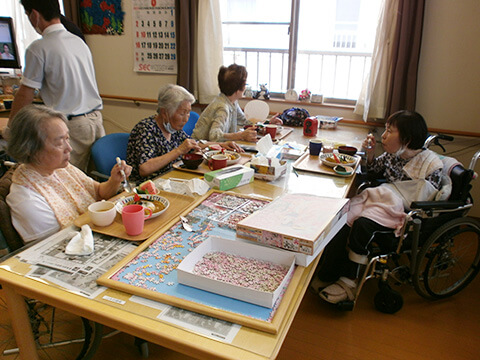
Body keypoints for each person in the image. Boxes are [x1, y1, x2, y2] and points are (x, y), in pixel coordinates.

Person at [312, 110, 443, 304]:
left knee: (363, 225)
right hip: (380, 199)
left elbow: (424, 200)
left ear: (407, 139)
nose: (384, 135)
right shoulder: (393, 155)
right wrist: (371, 153)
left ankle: (349, 281)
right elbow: (373, 172)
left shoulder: (430, 165)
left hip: (402, 212)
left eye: (390, 131)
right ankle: (330, 270)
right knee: (342, 216)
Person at [6, 105, 131, 243]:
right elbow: (54, 246)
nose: (69, 148)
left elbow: (99, 192)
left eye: (67, 138)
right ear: (30, 148)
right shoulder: (26, 198)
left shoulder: (61, 168)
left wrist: (114, 180)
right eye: (60, 143)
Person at [7, 0, 104, 173]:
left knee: (67, 183)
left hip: (72, 127)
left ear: (35, 15)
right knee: (91, 182)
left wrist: (11, 129)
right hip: (95, 121)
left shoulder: (39, 48)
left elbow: (25, 94)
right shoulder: (78, 41)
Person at [127, 84, 243, 184]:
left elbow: (194, 144)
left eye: (188, 113)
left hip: (172, 178)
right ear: (164, 112)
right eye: (182, 113)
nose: (186, 119)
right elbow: (144, 169)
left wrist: (222, 144)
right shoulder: (146, 129)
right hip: (147, 186)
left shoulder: (173, 129)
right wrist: (179, 150)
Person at [191, 64, 282, 143]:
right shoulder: (222, 107)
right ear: (237, 88)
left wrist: (268, 122)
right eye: (245, 84)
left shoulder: (232, 101)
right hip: (199, 150)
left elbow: (244, 121)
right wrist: (240, 135)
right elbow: (214, 136)